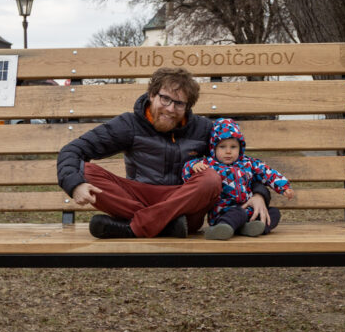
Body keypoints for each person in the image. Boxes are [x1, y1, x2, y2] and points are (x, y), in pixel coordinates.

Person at [56, 68, 271, 239]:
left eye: (179, 104)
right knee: (88, 172)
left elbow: (241, 163)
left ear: (188, 106)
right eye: (165, 99)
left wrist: (259, 194)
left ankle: (134, 228)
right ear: (151, 95)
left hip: (185, 206)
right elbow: (73, 150)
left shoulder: (204, 129)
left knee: (210, 179)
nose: (170, 109)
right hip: (138, 196)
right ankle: (166, 227)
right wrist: (75, 184)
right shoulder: (129, 124)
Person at [182, 118, 294, 240]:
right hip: (223, 212)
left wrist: (283, 186)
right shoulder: (209, 163)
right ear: (213, 148)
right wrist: (193, 166)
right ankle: (221, 229)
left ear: (240, 147)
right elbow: (187, 173)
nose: (228, 151)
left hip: (248, 209)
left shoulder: (248, 163)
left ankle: (251, 228)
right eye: (222, 147)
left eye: (233, 146)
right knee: (237, 213)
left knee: (273, 213)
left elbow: (267, 173)